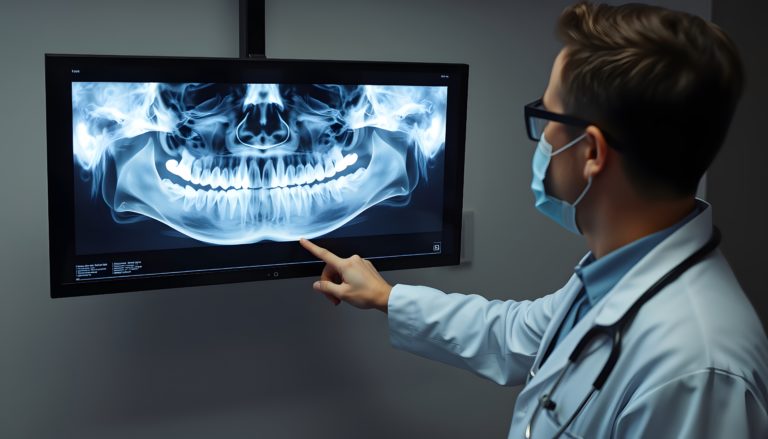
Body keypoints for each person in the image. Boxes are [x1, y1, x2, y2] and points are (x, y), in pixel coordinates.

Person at [300, 2, 768, 437]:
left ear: (589, 152)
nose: (541, 136)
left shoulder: (697, 369)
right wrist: (388, 297)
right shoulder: (619, 273)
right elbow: (515, 332)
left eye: (547, 115)